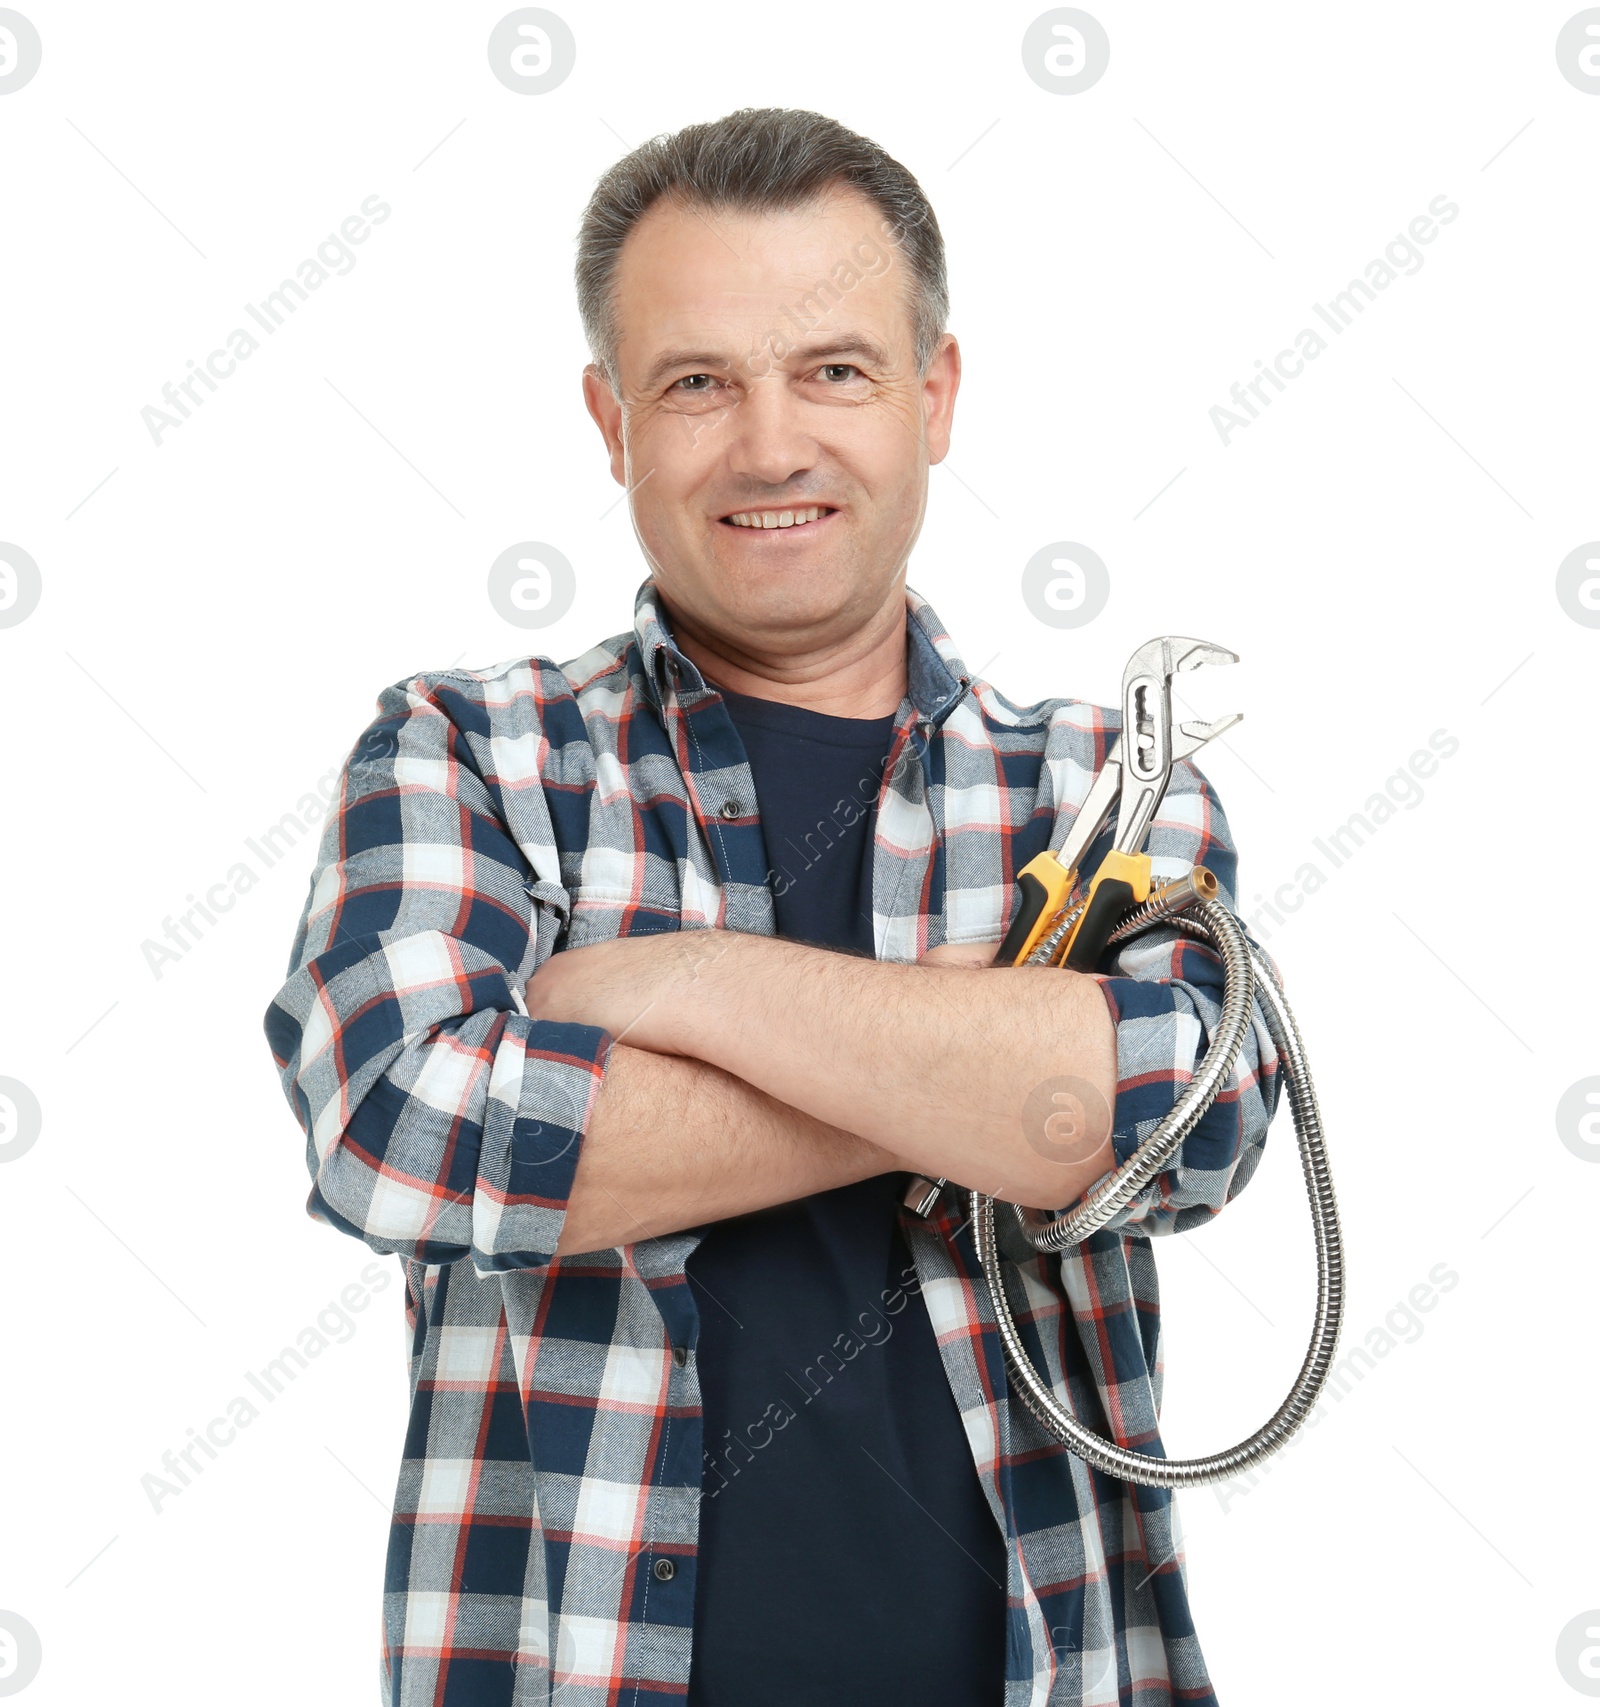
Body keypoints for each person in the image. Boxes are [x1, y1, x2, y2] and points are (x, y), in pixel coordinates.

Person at [264, 106, 1281, 1707]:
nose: (770, 444)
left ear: (933, 398)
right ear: (609, 422)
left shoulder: (1098, 793)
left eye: (835, 370)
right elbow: (400, 1127)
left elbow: (1192, 1120)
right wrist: (984, 1077)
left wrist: (683, 983)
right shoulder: (466, 750)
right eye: (696, 383)